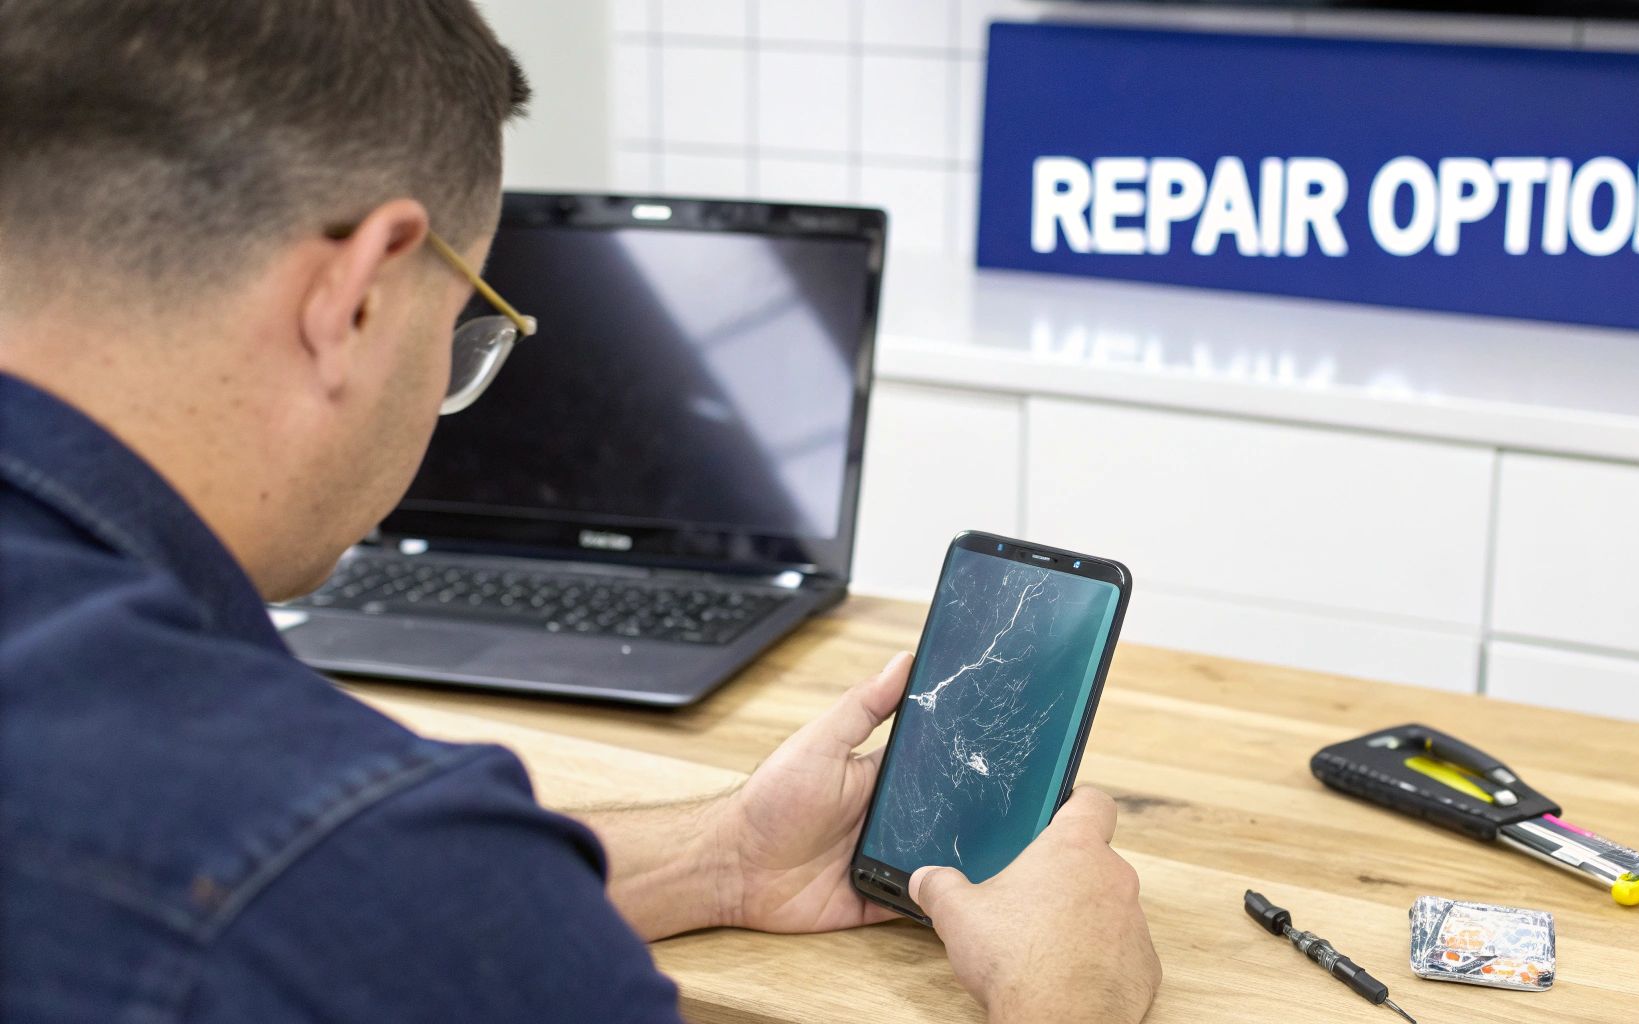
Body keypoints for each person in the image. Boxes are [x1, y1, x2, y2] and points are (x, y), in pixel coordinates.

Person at [0, 1, 1162, 1021]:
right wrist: (1070, 998)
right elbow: (368, 905)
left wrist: (724, 855)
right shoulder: (324, 855)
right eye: (462, 328)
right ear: (352, 298)